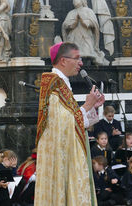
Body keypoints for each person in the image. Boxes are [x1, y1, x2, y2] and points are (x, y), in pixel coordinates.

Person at [35, 42, 105, 206]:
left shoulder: (62, 83)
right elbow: (61, 125)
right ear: (64, 60)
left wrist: (92, 106)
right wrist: (86, 105)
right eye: (77, 58)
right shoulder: (54, 85)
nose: (81, 63)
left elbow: (73, 121)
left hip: (68, 151)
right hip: (60, 155)